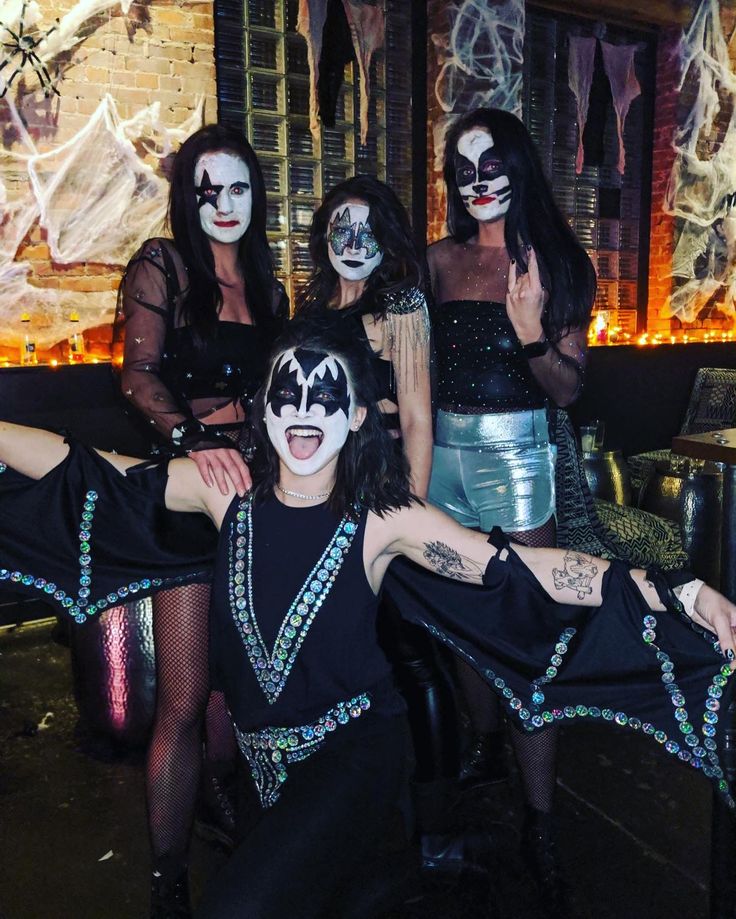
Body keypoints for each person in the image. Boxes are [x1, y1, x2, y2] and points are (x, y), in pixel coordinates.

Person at [0, 319, 734, 917]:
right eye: (287, 393)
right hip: (265, 767)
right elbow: (86, 470)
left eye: (327, 397)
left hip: (357, 748)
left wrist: (676, 589)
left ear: (355, 415)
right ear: (263, 406)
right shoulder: (224, 494)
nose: (304, 412)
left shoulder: (382, 516)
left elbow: (518, 566)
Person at [112, 123, 287, 916]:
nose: (223, 204)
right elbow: (139, 377)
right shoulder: (165, 263)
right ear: (188, 196)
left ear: (256, 194)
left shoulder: (264, 279)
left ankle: (224, 798)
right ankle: (166, 874)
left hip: (255, 502)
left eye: (238, 187)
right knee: (182, 697)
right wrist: (194, 440)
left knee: (238, 684)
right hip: (189, 502)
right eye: (207, 189)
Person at [426, 106, 596, 909]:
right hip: (441, 463)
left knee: (527, 639)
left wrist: (530, 333)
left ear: (519, 165)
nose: (477, 180)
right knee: (463, 619)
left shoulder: (558, 261)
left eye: (490, 163)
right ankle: (485, 744)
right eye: (462, 168)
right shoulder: (438, 261)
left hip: (521, 462)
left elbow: (568, 387)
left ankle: (539, 818)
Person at [297, 177, 475, 873]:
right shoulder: (310, 303)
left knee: (410, 655)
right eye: (341, 226)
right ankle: (351, 806)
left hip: (377, 505)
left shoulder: (400, 304)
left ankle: (434, 827)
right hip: (316, 506)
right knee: (346, 657)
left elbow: (420, 418)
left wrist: (408, 522)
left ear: (389, 239)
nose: (352, 242)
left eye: (367, 229)